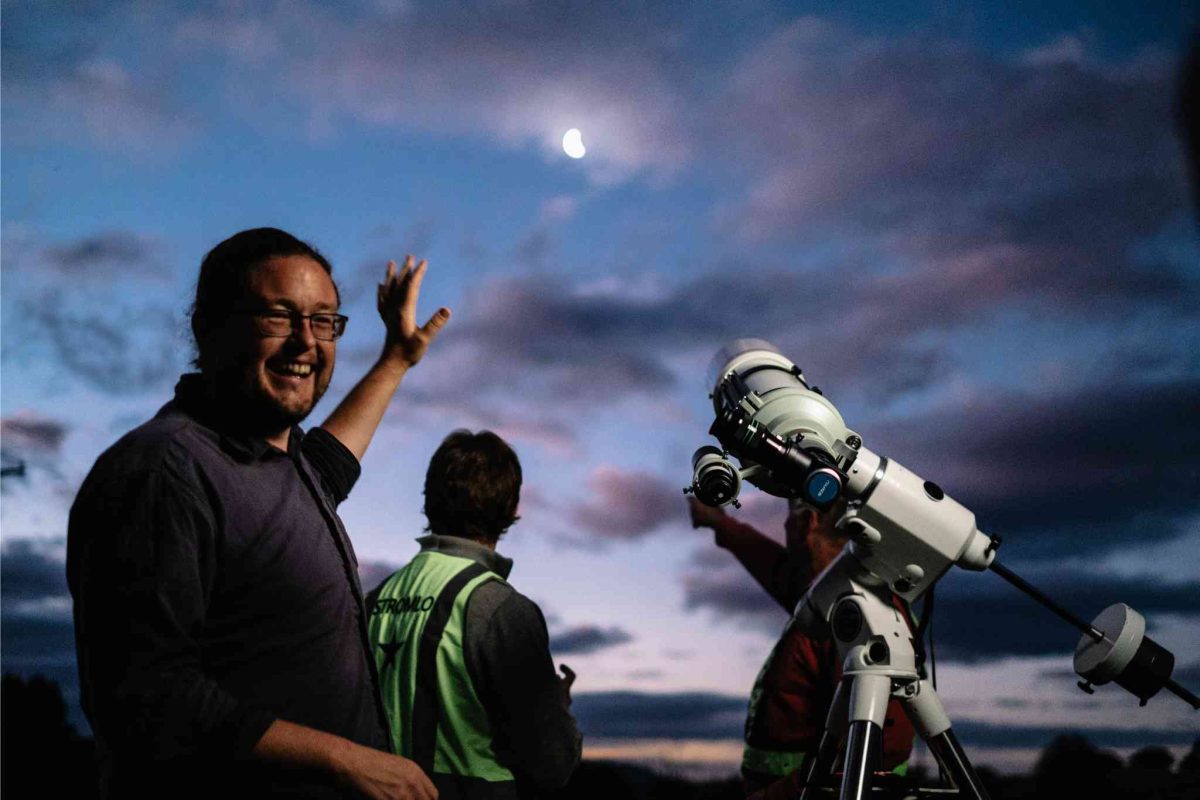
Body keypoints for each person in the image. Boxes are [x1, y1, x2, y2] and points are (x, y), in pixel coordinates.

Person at [67, 227, 450, 799]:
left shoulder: (288, 466)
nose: (306, 343)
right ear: (209, 327)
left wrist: (396, 359)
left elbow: (333, 458)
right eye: (278, 317)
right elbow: (143, 693)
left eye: (324, 321)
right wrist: (345, 760)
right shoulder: (164, 472)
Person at [366, 430, 581, 799]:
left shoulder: (371, 599)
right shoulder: (500, 608)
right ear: (512, 508)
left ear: (428, 500)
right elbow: (551, 764)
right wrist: (556, 708)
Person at [688, 496, 915, 799]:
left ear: (808, 522)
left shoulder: (853, 615)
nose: (783, 526)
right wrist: (720, 522)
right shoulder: (827, 597)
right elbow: (776, 568)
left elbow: (880, 748)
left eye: (786, 517)